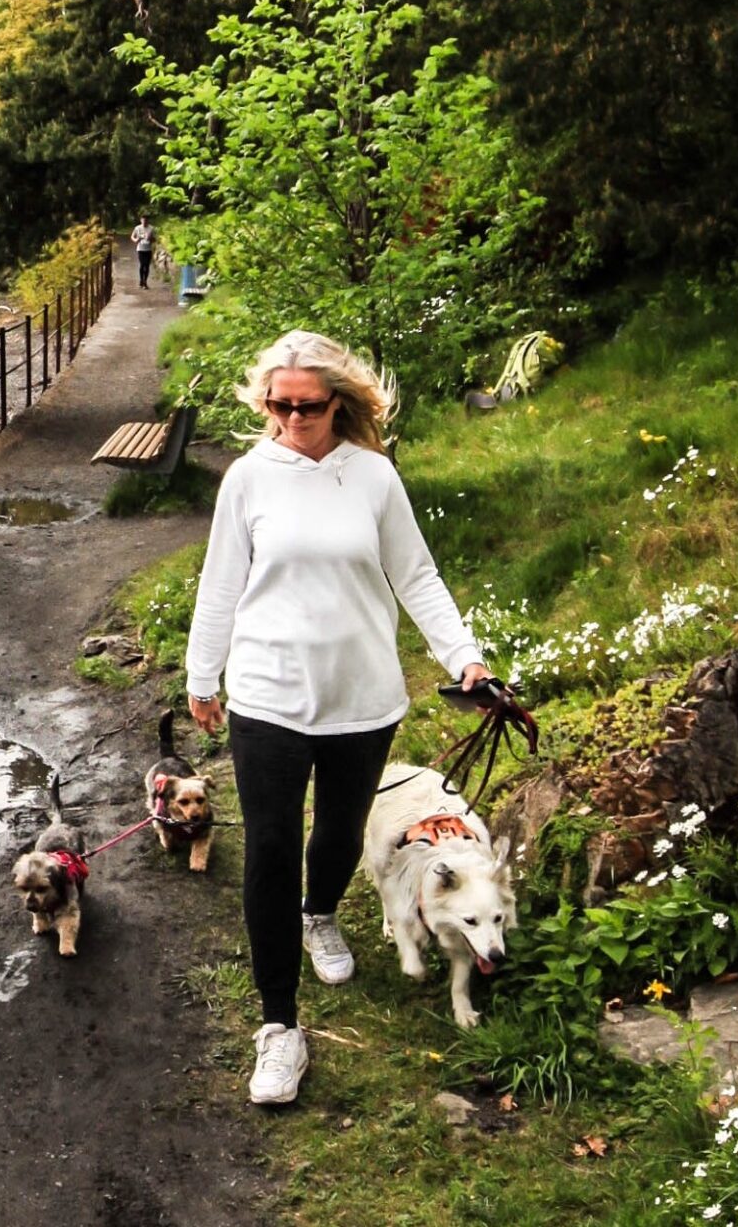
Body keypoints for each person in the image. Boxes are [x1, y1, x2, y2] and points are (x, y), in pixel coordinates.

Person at [182, 329, 489, 1105]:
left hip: (362, 697)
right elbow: (220, 584)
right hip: (267, 698)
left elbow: (416, 575)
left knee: (339, 832)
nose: (291, 420)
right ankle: (279, 1026)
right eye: (277, 407)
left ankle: (322, 914)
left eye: (306, 407)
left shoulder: (374, 477)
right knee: (270, 849)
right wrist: (202, 672)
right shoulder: (249, 479)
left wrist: (464, 657)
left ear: (338, 403)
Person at [130, 219, 157, 288]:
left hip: (148, 249)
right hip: (140, 249)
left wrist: (150, 238)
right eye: (143, 220)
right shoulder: (137, 228)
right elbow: (132, 236)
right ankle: (141, 280)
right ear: (141, 220)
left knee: (147, 266)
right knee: (142, 264)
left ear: (148, 221)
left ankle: (145, 282)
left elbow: (155, 239)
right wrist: (136, 240)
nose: (144, 222)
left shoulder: (151, 228)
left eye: (146, 221)